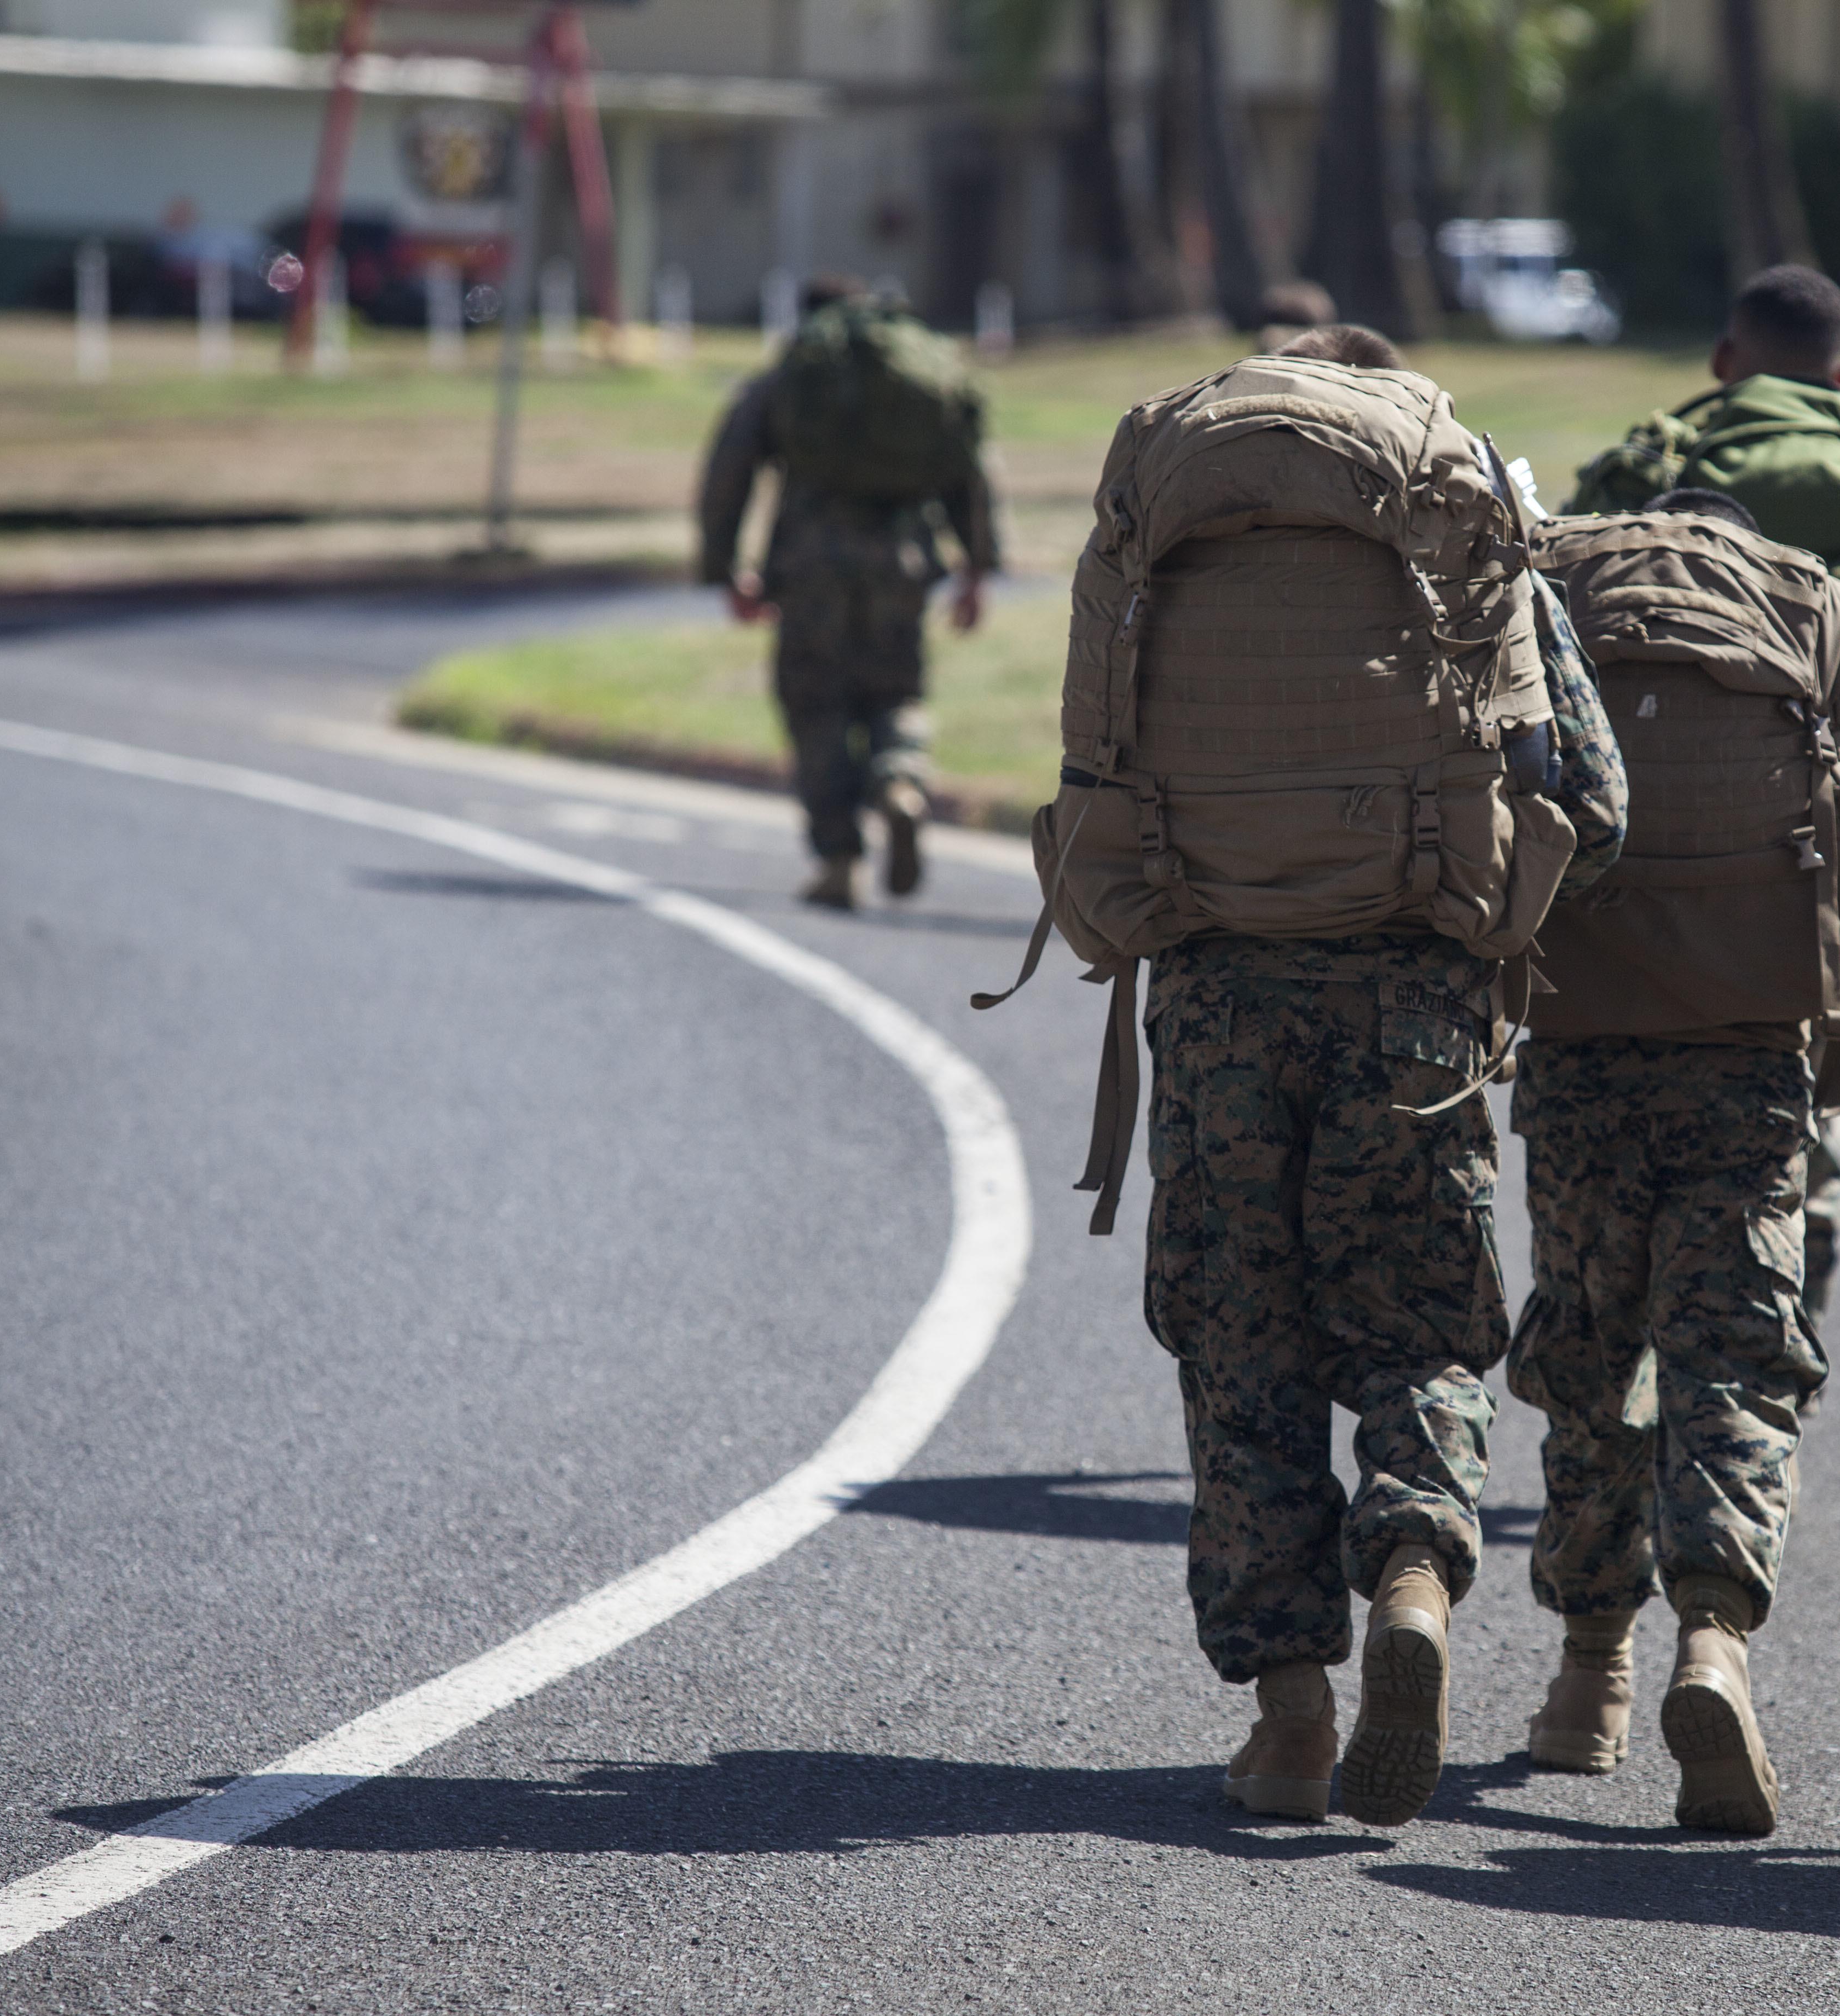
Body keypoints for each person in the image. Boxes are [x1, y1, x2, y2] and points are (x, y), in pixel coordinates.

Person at [997, 324, 1626, 1829]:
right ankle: (1414, 1568)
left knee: (1241, 1346)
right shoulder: (1449, 501)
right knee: (1422, 1326)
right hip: (1411, 989)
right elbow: (1589, 803)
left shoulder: (1173, 500)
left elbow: (1096, 762)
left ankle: (1289, 1722)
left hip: (1212, 999)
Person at [1511, 488, 1840, 1834]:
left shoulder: (1555, 595)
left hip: (1580, 1055)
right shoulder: (1817, 617)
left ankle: (1584, 1676)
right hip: (1749, 1068)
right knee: (1735, 1355)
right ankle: (1712, 1637)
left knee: (1588, 1352)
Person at [1568, 265, 1840, 1314]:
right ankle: (1772, 1338)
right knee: (1785, 1113)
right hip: (1835, 859)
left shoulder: (1650, 461)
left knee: (1607, 1197)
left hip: (1636, 885)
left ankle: (1617, 1413)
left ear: (1725, 361)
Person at [697, 275, 998, 910]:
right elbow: (969, 466)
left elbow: (731, 465)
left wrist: (723, 568)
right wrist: (978, 568)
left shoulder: (797, 372)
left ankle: (839, 860)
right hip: (903, 564)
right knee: (898, 691)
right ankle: (902, 780)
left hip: (810, 570)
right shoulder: (917, 368)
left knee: (816, 707)